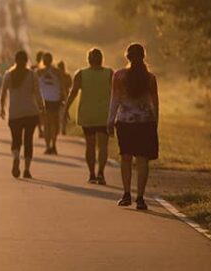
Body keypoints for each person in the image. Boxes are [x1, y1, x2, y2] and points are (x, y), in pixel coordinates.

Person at [109, 43, 159, 210]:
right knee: (142, 159)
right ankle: (140, 198)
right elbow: (155, 103)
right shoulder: (150, 78)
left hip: (125, 122)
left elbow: (115, 100)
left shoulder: (119, 76)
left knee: (126, 157)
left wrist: (110, 121)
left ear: (127, 57)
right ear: (143, 56)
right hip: (146, 122)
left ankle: (126, 194)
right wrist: (155, 124)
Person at [66, 48, 114, 184]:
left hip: (87, 115)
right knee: (103, 146)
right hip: (104, 114)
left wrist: (65, 109)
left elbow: (73, 93)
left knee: (90, 145)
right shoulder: (109, 73)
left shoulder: (81, 74)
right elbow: (117, 93)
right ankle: (101, 173)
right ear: (101, 59)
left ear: (88, 60)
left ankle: (92, 174)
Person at [0, 49, 43, 179]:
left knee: (16, 139)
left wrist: (1, 108)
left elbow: (2, 94)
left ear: (15, 60)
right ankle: (27, 169)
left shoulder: (8, 75)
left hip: (15, 113)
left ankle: (16, 157)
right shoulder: (32, 75)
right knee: (28, 141)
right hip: (31, 112)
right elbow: (37, 93)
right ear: (26, 61)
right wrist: (42, 106)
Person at [36, 53, 64, 155]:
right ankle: (53, 145)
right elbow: (62, 86)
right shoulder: (57, 72)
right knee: (54, 124)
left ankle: (49, 146)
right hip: (54, 100)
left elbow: (35, 87)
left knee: (47, 125)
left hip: (46, 101)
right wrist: (63, 98)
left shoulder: (39, 72)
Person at [57, 61, 73, 136]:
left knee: (63, 112)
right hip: (61, 96)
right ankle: (62, 128)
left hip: (62, 96)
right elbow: (70, 85)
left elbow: (70, 85)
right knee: (63, 112)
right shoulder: (66, 76)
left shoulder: (58, 76)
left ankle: (62, 128)